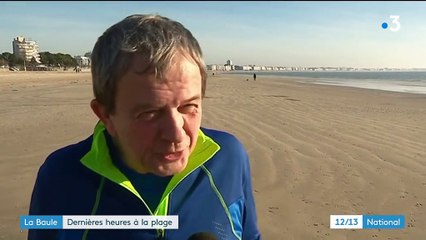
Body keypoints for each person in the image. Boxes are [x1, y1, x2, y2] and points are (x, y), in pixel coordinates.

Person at [28, 14, 261, 240]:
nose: (176, 134)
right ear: (105, 115)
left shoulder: (228, 157)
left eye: (189, 107)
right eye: (149, 113)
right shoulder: (60, 176)